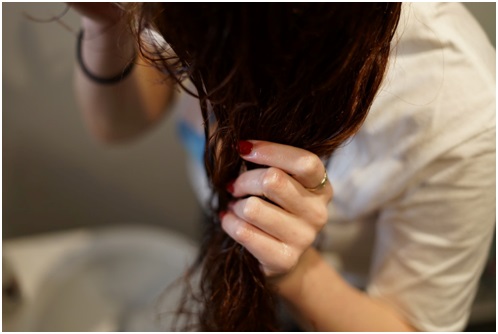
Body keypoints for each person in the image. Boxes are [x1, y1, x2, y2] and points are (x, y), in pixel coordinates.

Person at [71, 3, 495, 331]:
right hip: (226, 228)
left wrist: (296, 272)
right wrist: (108, 25)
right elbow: (116, 125)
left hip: (344, 296)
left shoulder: (462, 112)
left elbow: (410, 325)